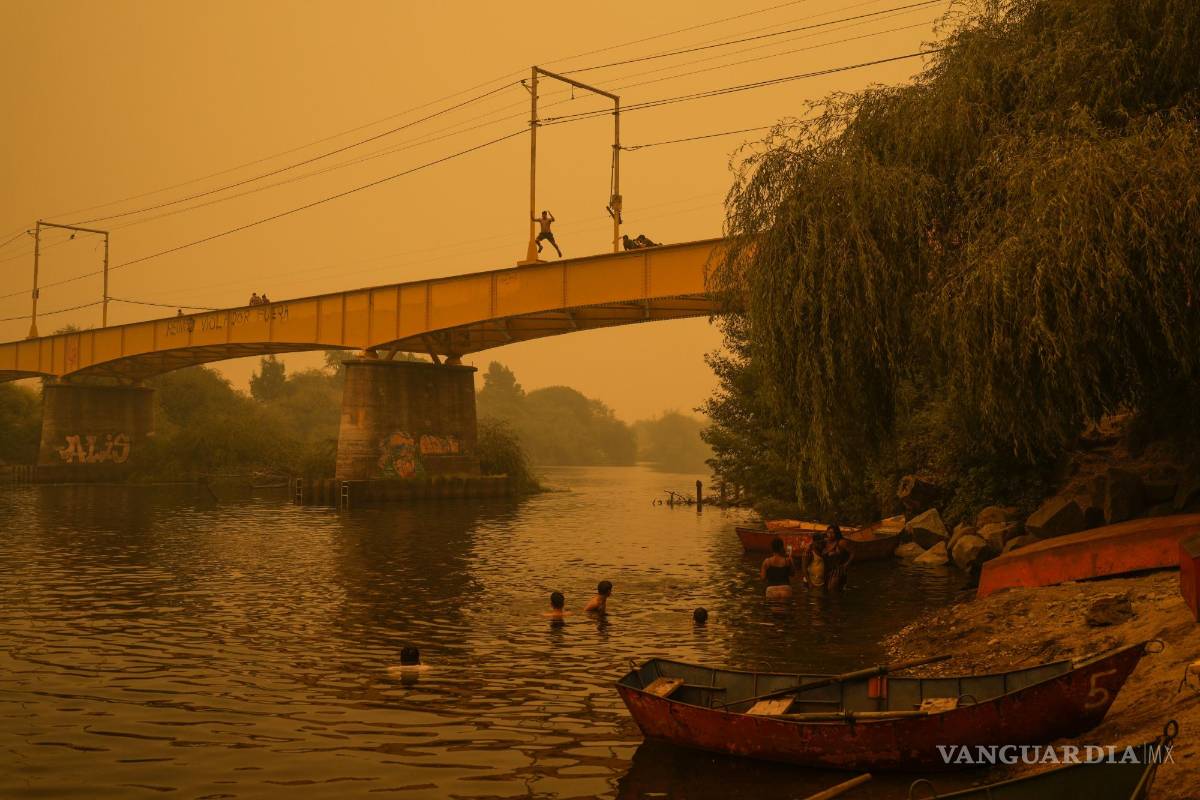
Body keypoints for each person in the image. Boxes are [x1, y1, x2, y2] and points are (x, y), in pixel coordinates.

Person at [822, 524, 854, 591]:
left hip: (837, 571)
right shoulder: (826, 542)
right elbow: (814, 544)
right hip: (827, 569)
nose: (830, 534)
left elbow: (852, 553)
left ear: (837, 533)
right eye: (828, 532)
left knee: (832, 590)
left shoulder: (841, 542)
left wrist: (846, 565)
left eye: (832, 533)